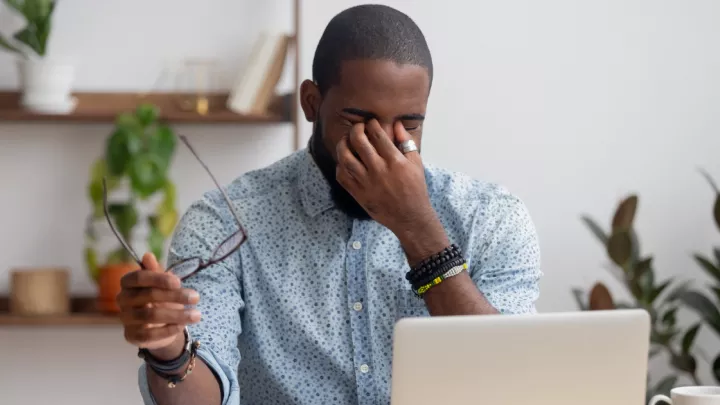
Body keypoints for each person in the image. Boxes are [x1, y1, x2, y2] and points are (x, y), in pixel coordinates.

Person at [120, 4, 542, 405]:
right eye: (358, 122)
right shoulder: (223, 221)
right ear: (312, 103)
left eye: (409, 124)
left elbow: (507, 385)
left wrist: (418, 229)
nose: (385, 147)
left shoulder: (491, 218)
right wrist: (170, 351)